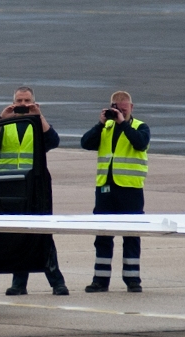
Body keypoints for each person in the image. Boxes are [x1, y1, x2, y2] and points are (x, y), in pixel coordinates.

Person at [0, 87, 69, 296]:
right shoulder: (6, 125)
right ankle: (19, 283)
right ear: (13, 102)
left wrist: (39, 116)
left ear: (34, 102)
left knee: (42, 234)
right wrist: (1, 118)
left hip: (35, 185)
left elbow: (53, 141)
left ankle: (57, 282)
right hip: (11, 184)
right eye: (19, 101)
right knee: (18, 234)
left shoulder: (37, 124)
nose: (23, 105)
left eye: (27, 101)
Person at [81, 91, 150, 293]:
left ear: (131, 108)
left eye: (124, 109)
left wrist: (123, 123)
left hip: (130, 189)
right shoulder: (106, 127)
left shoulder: (140, 127)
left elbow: (140, 143)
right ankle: (100, 280)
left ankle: (132, 279)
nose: (120, 112)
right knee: (103, 235)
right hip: (105, 188)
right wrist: (100, 124)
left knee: (131, 235)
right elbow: (86, 143)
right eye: (116, 109)